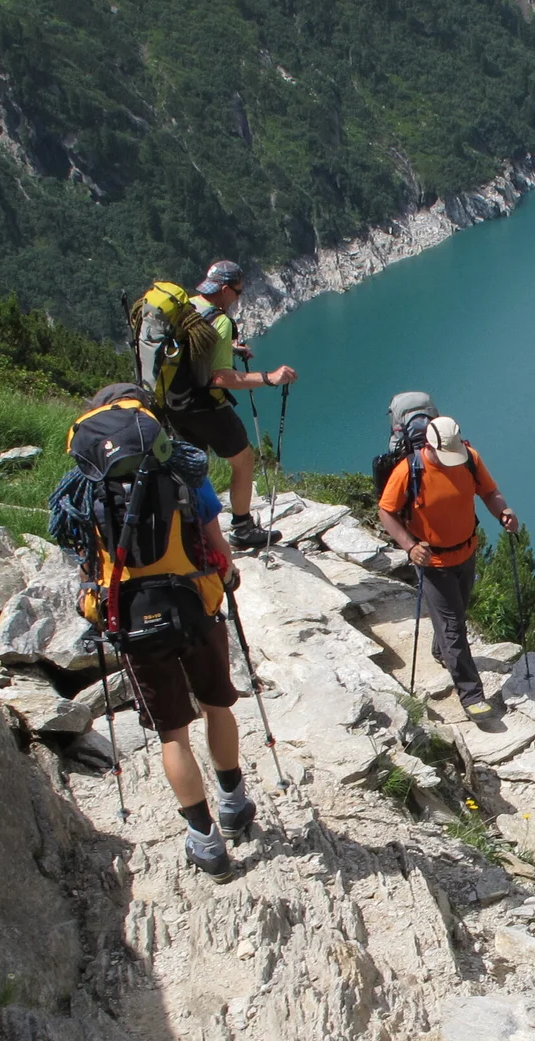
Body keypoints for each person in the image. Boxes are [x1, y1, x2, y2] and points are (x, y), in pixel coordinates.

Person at [121, 437, 255, 880]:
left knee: (172, 735)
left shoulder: (87, 484)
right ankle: (234, 806)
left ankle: (205, 842)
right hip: (196, 607)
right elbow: (218, 548)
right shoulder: (182, 471)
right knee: (217, 707)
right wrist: (228, 576)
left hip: (134, 622)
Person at [375, 415, 521, 721]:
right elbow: (386, 511)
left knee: (456, 614)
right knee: (454, 627)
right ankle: (472, 696)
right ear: (429, 445)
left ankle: (442, 651)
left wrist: (504, 512)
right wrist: (410, 546)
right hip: (433, 562)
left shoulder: (470, 459)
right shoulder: (410, 470)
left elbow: (489, 493)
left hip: (466, 553)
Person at [165, 260, 298, 553]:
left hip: (172, 403)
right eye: (237, 293)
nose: (238, 298)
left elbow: (188, 350)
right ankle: (242, 527)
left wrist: (229, 349)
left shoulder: (186, 306)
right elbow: (219, 377)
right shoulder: (221, 321)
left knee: (191, 467)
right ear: (225, 290)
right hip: (204, 406)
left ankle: (193, 531)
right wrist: (269, 378)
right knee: (244, 460)